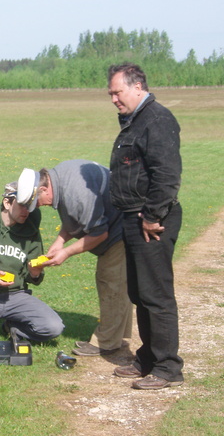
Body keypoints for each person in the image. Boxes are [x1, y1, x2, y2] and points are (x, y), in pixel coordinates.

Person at [107, 63, 183, 390]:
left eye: (117, 92)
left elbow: (166, 175)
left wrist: (152, 215)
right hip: (133, 217)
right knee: (140, 293)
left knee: (156, 294)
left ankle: (168, 367)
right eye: (110, 93)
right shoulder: (135, 121)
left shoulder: (157, 120)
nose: (113, 99)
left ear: (137, 87)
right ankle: (148, 358)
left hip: (150, 220)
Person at [33, 161, 133, 356]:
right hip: (118, 222)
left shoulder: (75, 193)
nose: (38, 206)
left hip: (122, 229)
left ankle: (106, 343)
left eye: (36, 201)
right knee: (119, 284)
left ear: (44, 188)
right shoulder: (60, 178)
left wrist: (66, 252)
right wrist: (59, 241)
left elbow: (99, 233)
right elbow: (75, 216)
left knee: (111, 281)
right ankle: (117, 337)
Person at [0, 169, 64, 343]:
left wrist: (35, 271)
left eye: (30, 207)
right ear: (7, 203)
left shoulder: (30, 229)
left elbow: (33, 276)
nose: (27, 212)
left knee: (53, 327)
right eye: (22, 205)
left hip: (17, 294)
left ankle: (13, 328)